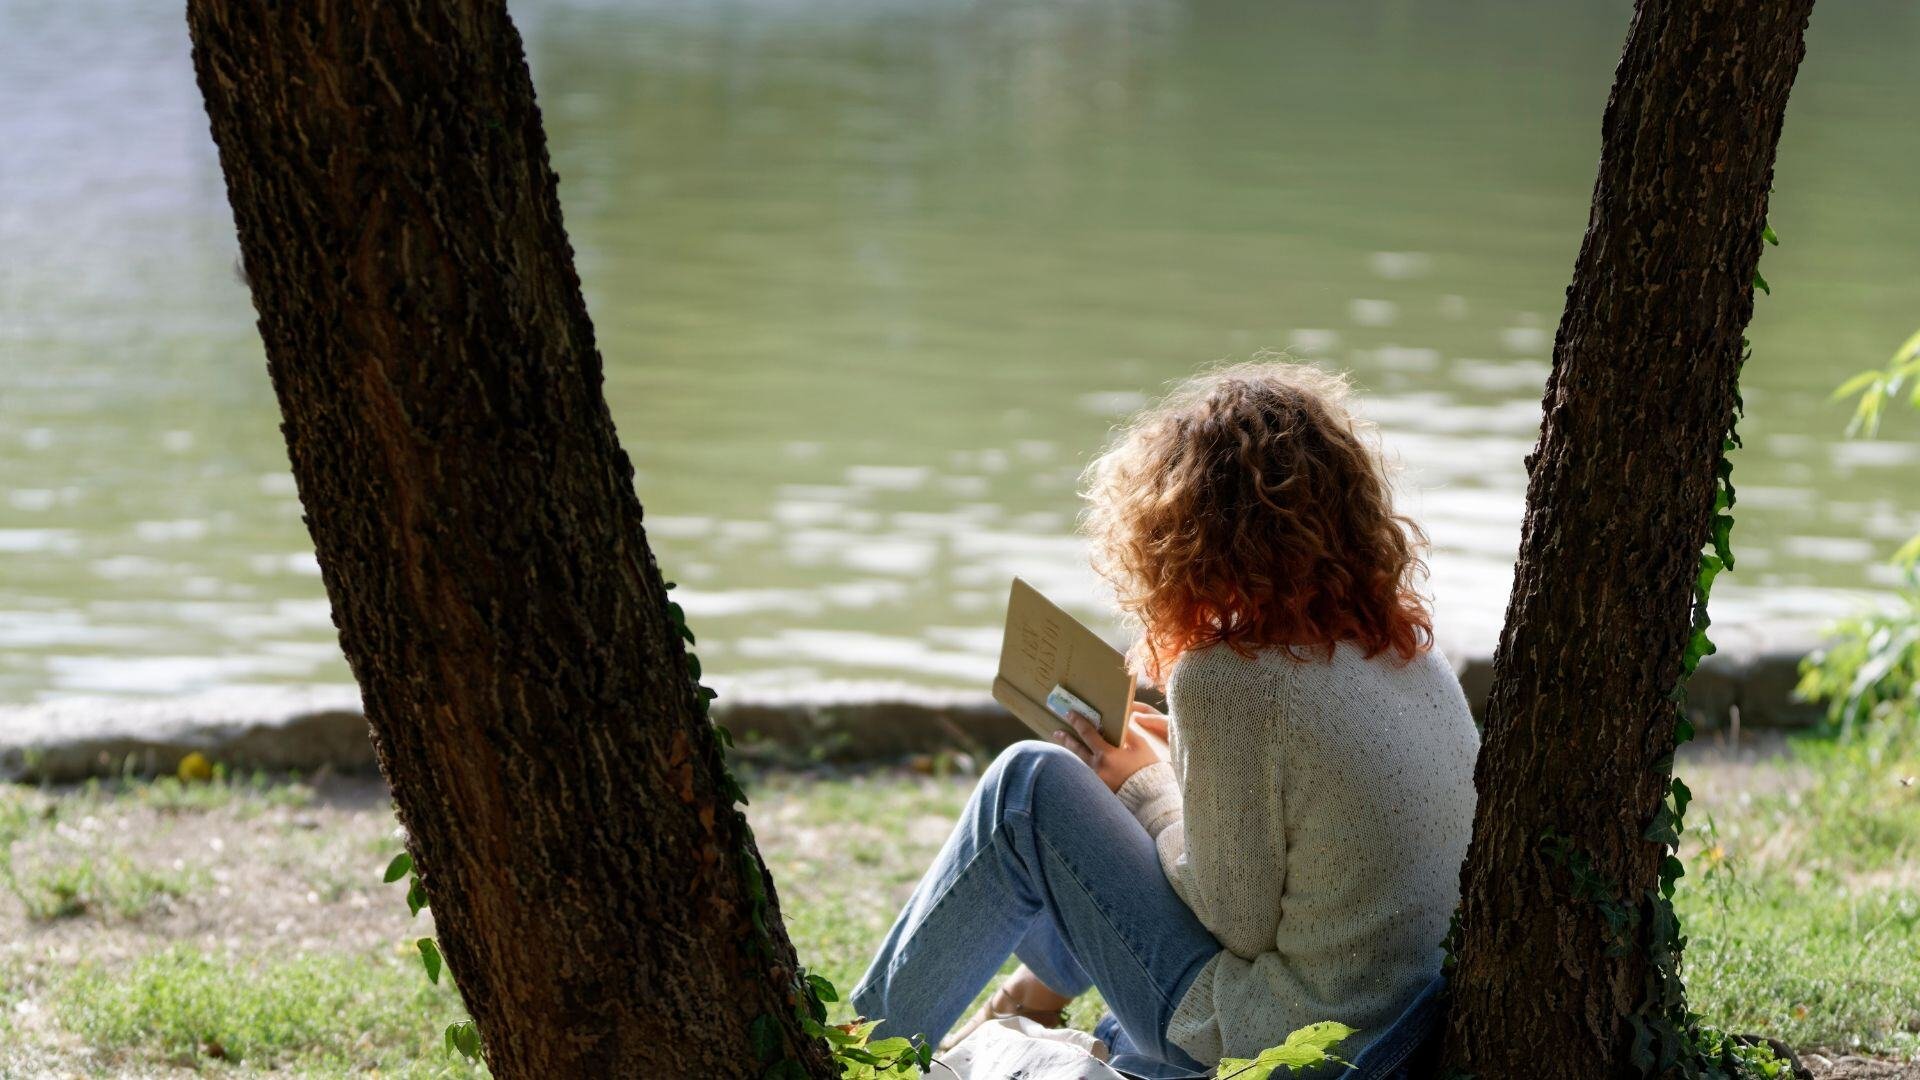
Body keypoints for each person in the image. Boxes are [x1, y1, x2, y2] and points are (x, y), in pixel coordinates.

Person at [851, 360, 1480, 1078]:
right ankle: (1033, 997)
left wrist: (1146, 788)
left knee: (1028, 787)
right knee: (1102, 796)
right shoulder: (1406, 650)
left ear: (1183, 533)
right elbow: (1303, 851)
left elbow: (1232, 919)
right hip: (1396, 1036)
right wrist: (1170, 772)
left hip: (1287, 1049)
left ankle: (852, 1057)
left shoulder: (1231, 680)